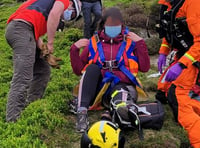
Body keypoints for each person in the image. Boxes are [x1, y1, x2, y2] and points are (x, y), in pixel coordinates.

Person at [70, 7, 150, 132]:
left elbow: (145, 68)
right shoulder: (93, 43)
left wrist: (140, 43)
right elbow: (78, 70)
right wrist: (74, 49)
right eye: (110, 25)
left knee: (120, 97)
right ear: (103, 25)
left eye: (116, 25)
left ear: (122, 25)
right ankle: (82, 114)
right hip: (98, 89)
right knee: (91, 69)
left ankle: (121, 111)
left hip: (123, 85)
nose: (113, 28)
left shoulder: (131, 41)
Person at [5, 0, 81, 122]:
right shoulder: (65, 1)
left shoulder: (39, 4)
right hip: (22, 29)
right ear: (73, 6)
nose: (68, 18)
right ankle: (13, 119)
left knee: (42, 69)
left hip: (22, 29)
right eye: (72, 15)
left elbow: (35, 32)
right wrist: (50, 43)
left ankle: (31, 106)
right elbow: (54, 14)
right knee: (23, 77)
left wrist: (45, 52)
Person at [157, 0, 200, 147]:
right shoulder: (167, 4)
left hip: (194, 58)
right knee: (162, 92)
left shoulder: (193, 4)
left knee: (178, 98)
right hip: (182, 55)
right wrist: (163, 52)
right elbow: (169, 30)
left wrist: (182, 65)